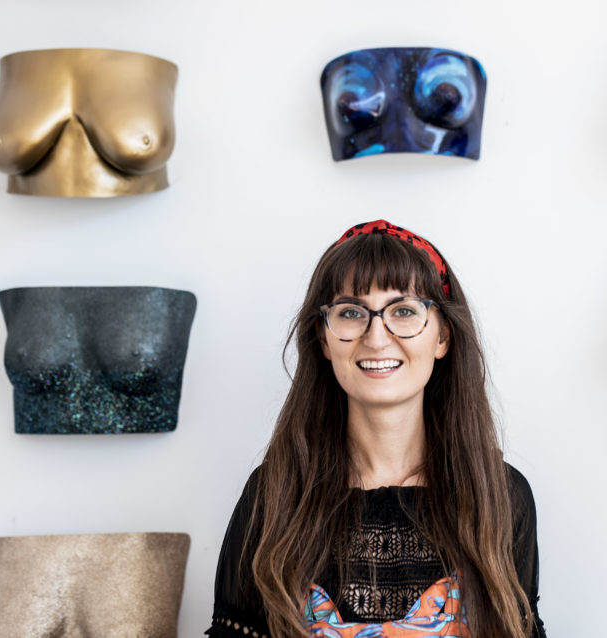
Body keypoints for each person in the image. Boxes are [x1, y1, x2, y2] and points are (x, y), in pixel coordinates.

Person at [206, 220, 546, 638]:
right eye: (352, 313)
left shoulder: (501, 495)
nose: (377, 337)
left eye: (404, 311)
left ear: (443, 336)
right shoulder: (272, 494)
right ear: (324, 338)